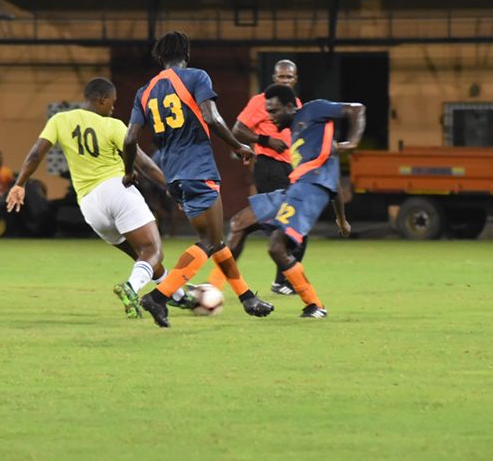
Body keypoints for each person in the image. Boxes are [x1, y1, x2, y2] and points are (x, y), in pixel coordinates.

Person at [122, 30, 275, 328]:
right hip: (198, 168)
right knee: (210, 240)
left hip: (173, 175)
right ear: (186, 53)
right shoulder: (196, 77)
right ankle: (159, 297)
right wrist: (238, 146)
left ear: (160, 57)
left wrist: (129, 171)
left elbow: (129, 139)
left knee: (216, 239)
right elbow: (212, 117)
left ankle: (247, 299)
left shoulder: (145, 90)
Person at [5, 77, 192, 319]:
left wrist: (19, 184)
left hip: (90, 207)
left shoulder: (60, 120)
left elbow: (35, 154)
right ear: (102, 99)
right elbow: (144, 163)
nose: (113, 108)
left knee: (142, 257)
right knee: (153, 250)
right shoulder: (113, 125)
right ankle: (131, 288)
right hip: (116, 191)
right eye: (112, 103)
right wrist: (171, 188)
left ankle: (178, 296)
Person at [221, 84, 365, 318]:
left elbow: (357, 109)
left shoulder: (314, 110)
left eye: (275, 111)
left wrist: (352, 142)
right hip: (293, 189)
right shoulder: (298, 134)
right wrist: (341, 220)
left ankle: (315, 305)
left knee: (277, 247)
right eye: (268, 111)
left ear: (290, 107)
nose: (270, 116)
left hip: (309, 191)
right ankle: (216, 288)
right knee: (238, 223)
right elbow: (336, 181)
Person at [207, 59, 305, 295]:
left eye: (289, 77)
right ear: (274, 78)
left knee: (293, 225)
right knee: (284, 225)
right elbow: (237, 129)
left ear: (295, 79)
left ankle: (282, 280)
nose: (285, 81)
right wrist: (265, 141)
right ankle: (284, 281)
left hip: (290, 170)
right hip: (269, 168)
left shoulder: (297, 104)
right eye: (281, 77)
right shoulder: (260, 101)